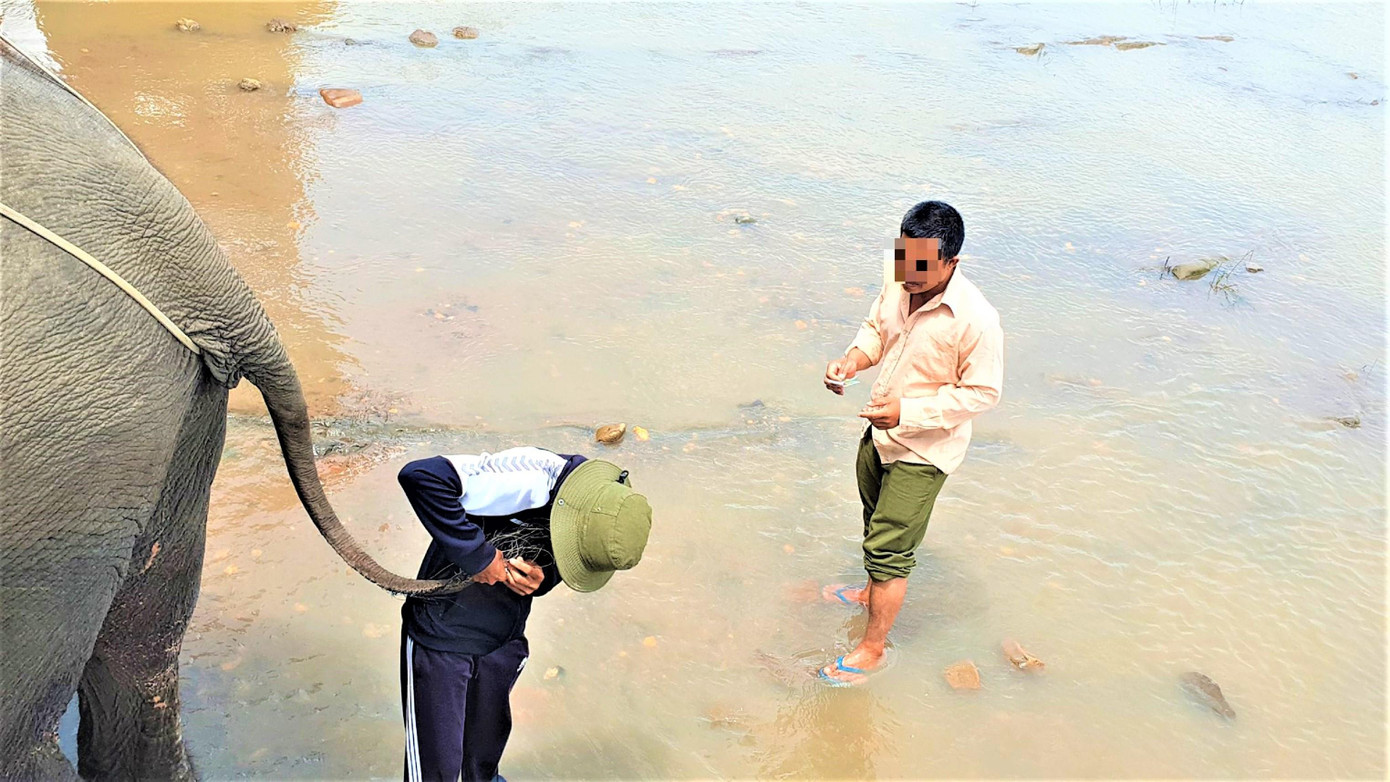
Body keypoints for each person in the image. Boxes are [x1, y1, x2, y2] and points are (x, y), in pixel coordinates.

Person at [819, 200, 1004, 686]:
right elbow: (876, 332)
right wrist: (851, 363)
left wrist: (910, 412)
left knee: (890, 548)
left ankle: (872, 649)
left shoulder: (977, 320)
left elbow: (984, 393)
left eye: (923, 266)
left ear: (952, 263)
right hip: (881, 435)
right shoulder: (900, 277)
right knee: (873, 520)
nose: (910, 275)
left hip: (925, 450)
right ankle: (867, 592)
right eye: (905, 259)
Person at [395, 447, 652, 781]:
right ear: (573, 514)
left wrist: (543, 575)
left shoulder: (608, 513)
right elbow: (420, 476)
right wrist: (479, 557)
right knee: (436, 769)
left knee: (484, 757)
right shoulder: (529, 476)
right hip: (441, 639)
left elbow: (557, 558)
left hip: (503, 639)